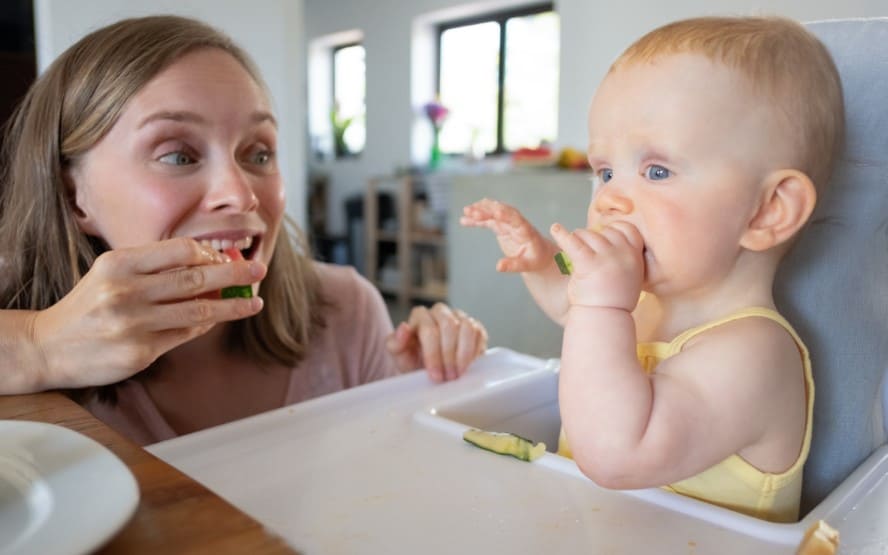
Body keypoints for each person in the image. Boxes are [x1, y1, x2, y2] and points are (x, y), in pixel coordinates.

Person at [0, 15, 487, 445]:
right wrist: (42, 347)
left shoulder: (347, 312)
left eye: (258, 153)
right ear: (73, 197)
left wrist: (415, 395)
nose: (241, 194)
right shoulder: (23, 325)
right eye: (178, 155)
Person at [461, 16, 844, 522]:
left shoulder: (754, 355)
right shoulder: (639, 303)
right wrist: (541, 262)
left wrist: (601, 301)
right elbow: (569, 307)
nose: (611, 199)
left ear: (768, 210)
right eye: (605, 172)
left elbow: (617, 454)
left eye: (656, 171)